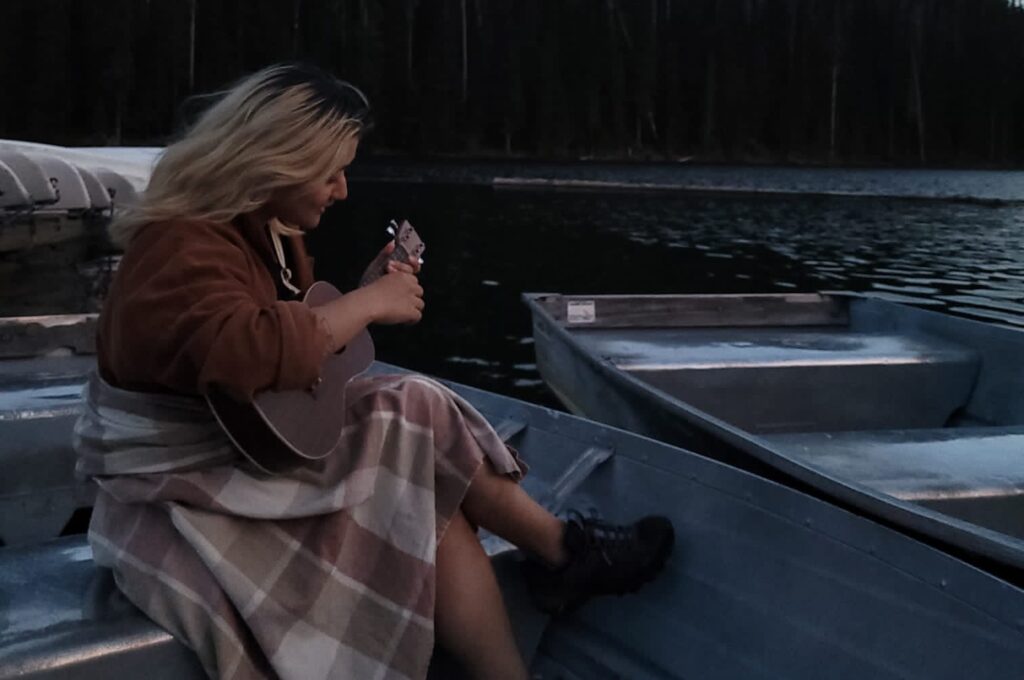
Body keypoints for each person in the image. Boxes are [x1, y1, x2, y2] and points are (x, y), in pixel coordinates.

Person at [73, 63, 674, 680]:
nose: (341, 192)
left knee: (423, 485)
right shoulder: (180, 243)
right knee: (411, 406)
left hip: (237, 447)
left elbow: (290, 358)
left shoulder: (262, 232)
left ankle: (546, 597)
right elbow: (242, 351)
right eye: (329, 173)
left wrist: (355, 299)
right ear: (273, 161)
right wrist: (367, 306)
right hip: (180, 477)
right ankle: (564, 553)